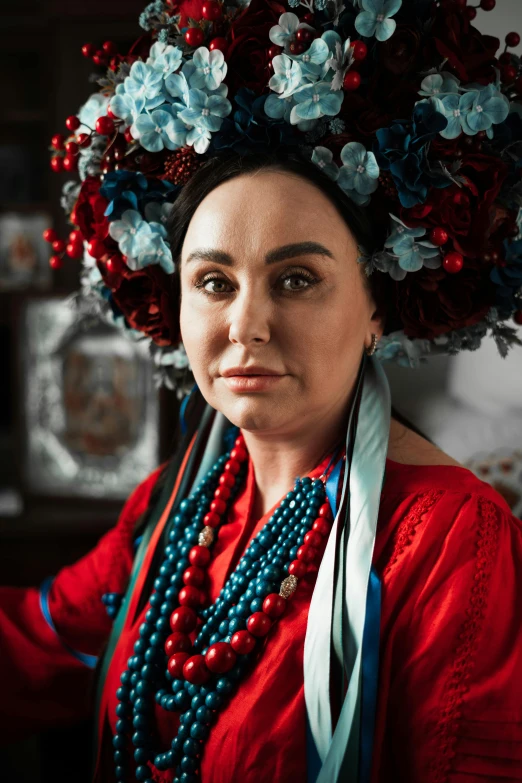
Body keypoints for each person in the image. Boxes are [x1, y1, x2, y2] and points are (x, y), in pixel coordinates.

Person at [2, 1, 522, 782]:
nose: (247, 325)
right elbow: (30, 651)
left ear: (376, 306)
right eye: (213, 281)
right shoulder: (174, 507)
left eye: (297, 279)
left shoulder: (449, 537)